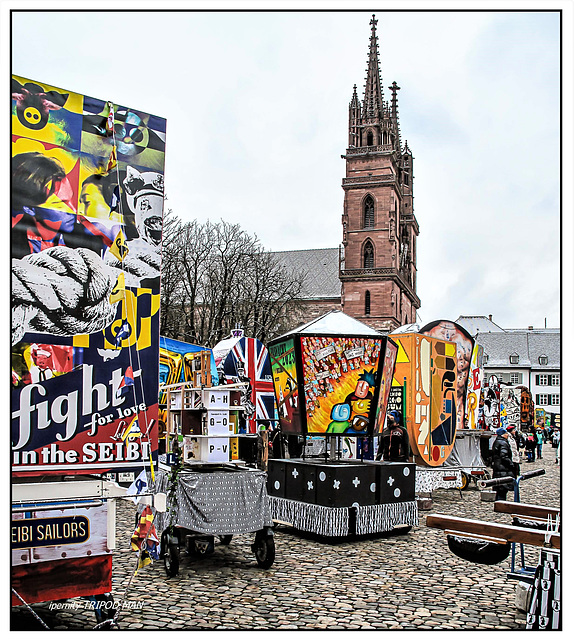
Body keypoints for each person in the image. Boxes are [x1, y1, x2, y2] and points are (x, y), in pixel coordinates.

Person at [491, 427, 515, 501]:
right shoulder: (503, 443)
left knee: (499, 488)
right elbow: (503, 456)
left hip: (498, 468)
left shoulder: (497, 441)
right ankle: (501, 503)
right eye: (506, 433)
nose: (507, 434)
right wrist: (511, 464)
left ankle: (499, 501)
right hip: (503, 469)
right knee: (502, 488)